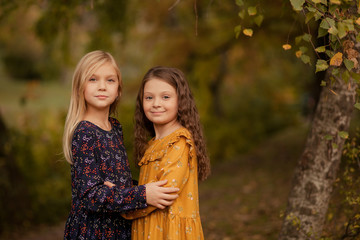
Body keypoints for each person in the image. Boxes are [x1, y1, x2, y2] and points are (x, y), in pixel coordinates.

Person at [62, 51, 179, 240]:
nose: (102, 86)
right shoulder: (84, 132)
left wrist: (141, 188)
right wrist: (141, 195)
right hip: (94, 232)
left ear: (118, 90)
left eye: (110, 80)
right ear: (79, 88)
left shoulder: (114, 127)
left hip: (119, 227)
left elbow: (117, 183)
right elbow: (91, 196)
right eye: (93, 79)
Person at [122, 66, 211, 239]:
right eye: (149, 97)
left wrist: (122, 202)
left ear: (180, 101)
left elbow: (163, 194)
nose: (156, 103)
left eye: (165, 97)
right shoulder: (152, 145)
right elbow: (147, 193)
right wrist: (125, 193)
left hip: (169, 232)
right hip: (149, 229)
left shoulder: (179, 141)